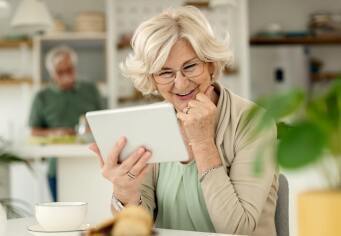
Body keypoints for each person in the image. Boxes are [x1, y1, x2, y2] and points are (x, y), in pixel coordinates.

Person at [89, 6, 278, 236]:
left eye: (190, 66)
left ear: (210, 64)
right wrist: (125, 191)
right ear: (153, 79)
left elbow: (237, 229)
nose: (180, 83)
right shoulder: (150, 124)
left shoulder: (253, 122)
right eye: (165, 72)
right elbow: (140, 225)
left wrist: (202, 143)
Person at [29, 46, 103, 201]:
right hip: (57, 168)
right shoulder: (42, 97)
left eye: (69, 69)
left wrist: (93, 127)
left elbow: (106, 121)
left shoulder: (90, 90)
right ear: (51, 72)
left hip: (91, 164)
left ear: (75, 67)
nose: (66, 75)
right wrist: (55, 133)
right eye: (60, 71)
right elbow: (34, 131)